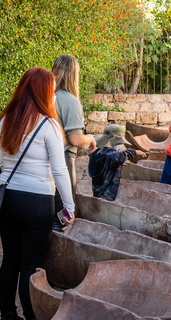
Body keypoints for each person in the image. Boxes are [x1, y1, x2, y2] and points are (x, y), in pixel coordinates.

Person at [0, 67, 75, 320]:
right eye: (51, 91)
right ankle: (32, 316)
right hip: (36, 200)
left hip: (6, 198)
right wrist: (69, 207)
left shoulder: (5, 120)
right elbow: (60, 171)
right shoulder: (49, 124)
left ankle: (8, 314)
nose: (53, 96)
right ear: (43, 92)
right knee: (30, 265)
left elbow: (2, 161)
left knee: (10, 261)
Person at [51, 55, 96, 231]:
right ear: (73, 75)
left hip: (44, 158)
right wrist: (91, 138)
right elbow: (75, 140)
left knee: (50, 203)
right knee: (64, 212)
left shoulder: (46, 96)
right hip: (63, 157)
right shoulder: (70, 100)